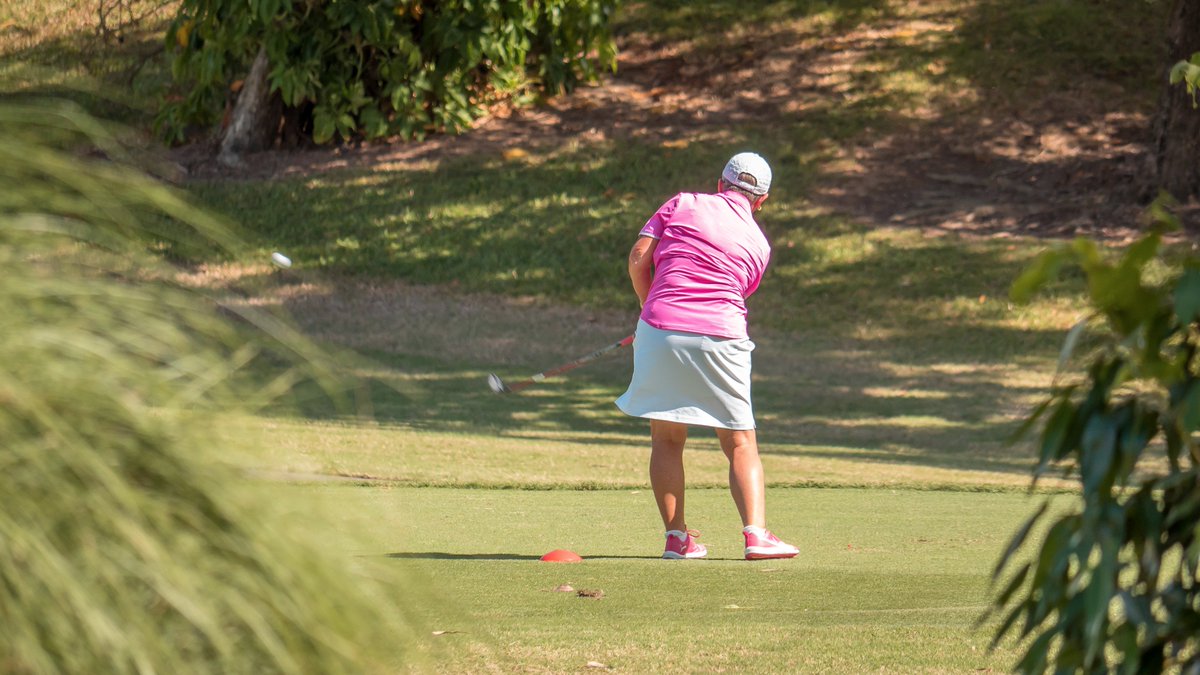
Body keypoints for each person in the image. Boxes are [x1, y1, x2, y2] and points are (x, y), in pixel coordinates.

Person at [615, 152, 799, 561]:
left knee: (666, 437)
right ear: (762, 199)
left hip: (660, 329)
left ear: (720, 183)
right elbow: (731, 293)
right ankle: (756, 536)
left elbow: (637, 259)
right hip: (722, 335)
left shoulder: (682, 203)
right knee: (739, 441)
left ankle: (677, 539)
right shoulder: (759, 243)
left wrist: (652, 314)